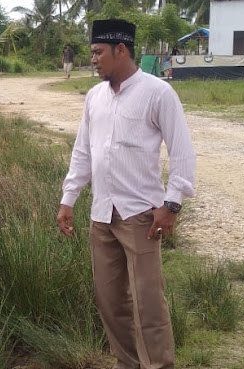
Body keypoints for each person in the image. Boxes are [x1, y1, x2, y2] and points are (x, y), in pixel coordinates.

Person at [56, 19, 196, 369]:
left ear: (121, 50)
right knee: (109, 300)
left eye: (98, 53)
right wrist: (68, 198)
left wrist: (172, 204)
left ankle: (158, 365)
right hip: (102, 215)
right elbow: (83, 152)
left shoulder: (157, 92)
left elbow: (182, 151)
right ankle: (126, 362)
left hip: (142, 216)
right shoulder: (94, 97)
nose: (93, 60)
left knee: (148, 302)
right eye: (91, 53)